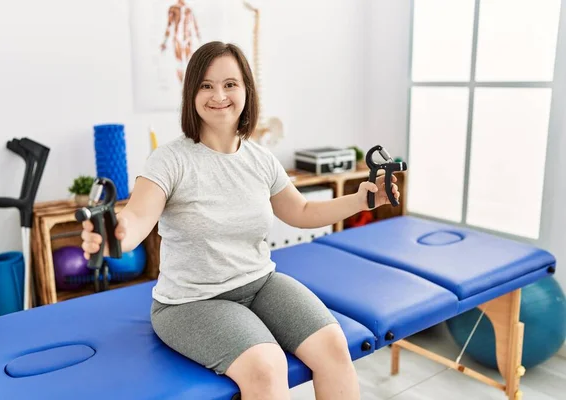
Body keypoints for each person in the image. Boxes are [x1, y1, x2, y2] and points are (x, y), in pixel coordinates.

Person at [81, 41, 400, 400]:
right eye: (206, 85)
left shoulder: (260, 159)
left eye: (230, 84)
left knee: (333, 346)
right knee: (267, 367)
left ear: (246, 89)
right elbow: (138, 217)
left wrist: (362, 199)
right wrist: (115, 236)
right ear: (192, 93)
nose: (219, 94)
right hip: (191, 302)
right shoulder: (169, 160)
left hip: (260, 283)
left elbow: (302, 212)